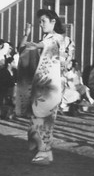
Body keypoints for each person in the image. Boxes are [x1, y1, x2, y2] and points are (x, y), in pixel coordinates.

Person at [21, 9, 74, 165]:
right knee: (41, 117)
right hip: (48, 83)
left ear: (53, 22)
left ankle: (43, 152)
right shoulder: (63, 40)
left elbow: (34, 46)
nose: (41, 24)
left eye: (43, 21)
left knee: (42, 118)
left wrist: (29, 41)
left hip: (51, 84)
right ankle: (45, 151)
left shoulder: (54, 38)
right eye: (40, 22)